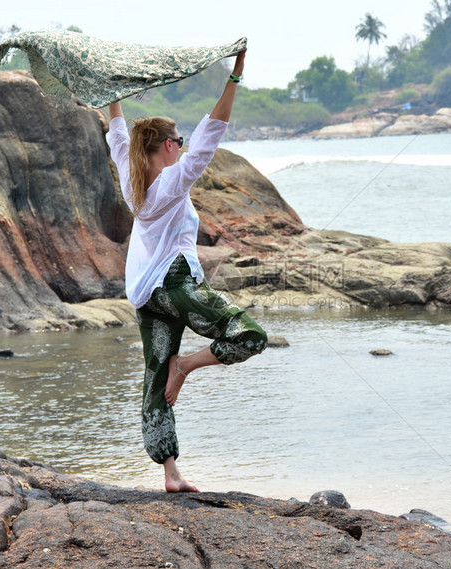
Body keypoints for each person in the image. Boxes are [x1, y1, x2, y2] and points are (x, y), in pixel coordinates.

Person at [106, 50, 266, 493]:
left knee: (154, 378)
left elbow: (117, 135)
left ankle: (170, 475)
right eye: (177, 139)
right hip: (174, 283)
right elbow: (213, 134)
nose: (183, 144)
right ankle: (188, 365)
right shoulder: (172, 183)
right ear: (166, 147)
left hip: (143, 293)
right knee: (249, 335)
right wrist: (235, 75)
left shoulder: (132, 179)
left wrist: (112, 95)